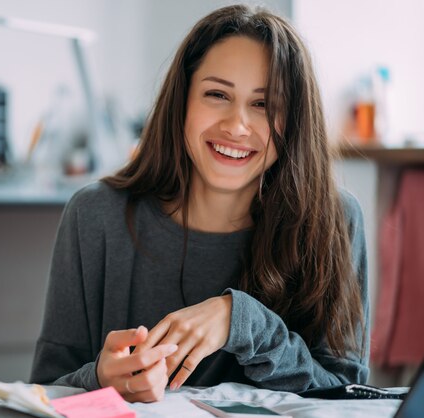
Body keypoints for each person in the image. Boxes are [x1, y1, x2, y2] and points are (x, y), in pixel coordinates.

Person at [30, 4, 369, 403]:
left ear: (293, 120)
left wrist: (242, 322)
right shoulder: (93, 215)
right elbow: (46, 388)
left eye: (263, 104)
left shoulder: (334, 220)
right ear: (183, 101)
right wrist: (101, 377)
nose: (236, 126)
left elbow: (349, 395)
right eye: (217, 94)